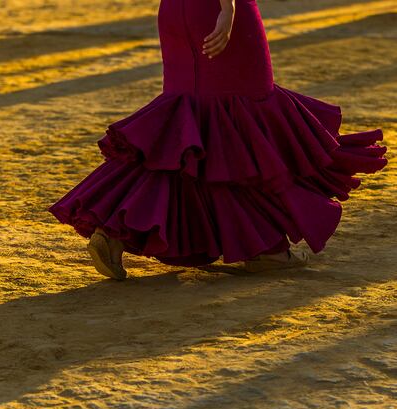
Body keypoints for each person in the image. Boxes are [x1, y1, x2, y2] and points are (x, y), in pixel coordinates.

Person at [48, 0, 388, 280]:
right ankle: (263, 248)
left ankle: (114, 228)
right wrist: (228, 9)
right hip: (219, 12)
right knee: (242, 122)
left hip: (176, 12)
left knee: (189, 132)